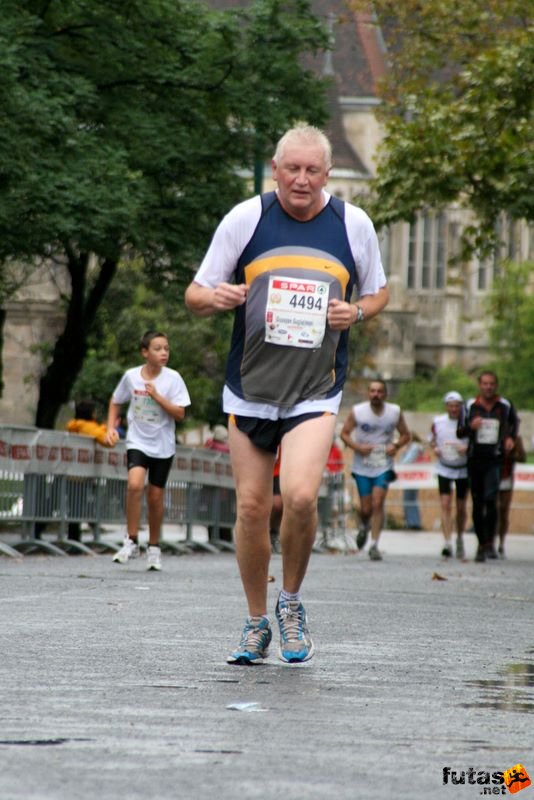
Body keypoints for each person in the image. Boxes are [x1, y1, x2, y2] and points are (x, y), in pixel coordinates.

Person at [185, 124, 388, 664]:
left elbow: (379, 290)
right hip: (250, 388)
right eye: (292, 169)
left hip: (314, 390)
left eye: (312, 170)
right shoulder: (246, 218)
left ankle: (291, 604)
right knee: (252, 507)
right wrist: (218, 296)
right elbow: (194, 293)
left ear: (327, 174)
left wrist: (358, 312)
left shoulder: (352, 224)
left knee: (299, 496)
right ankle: (255, 623)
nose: (302, 179)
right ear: (276, 171)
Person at [105, 331, 191, 571]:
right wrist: (110, 428)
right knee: (134, 485)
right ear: (145, 352)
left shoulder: (173, 379)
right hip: (137, 441)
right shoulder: (131, 376)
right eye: (158, 348)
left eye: (166, 348)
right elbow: (115, 401)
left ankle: (153, 547)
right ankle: (131, 540)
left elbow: (180, 413)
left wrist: (157, 397)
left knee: (154, 497)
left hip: (163, 445)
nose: (164, 352)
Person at [341, 380, 410, 560]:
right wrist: (357, 447)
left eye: (380, 391)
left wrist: (395, 445)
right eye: (372, 391)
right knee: (366, 508)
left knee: (378, 502)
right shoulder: (358, 411)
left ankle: (374, 545)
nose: (376, 394)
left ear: (385, 394)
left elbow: (406, 435)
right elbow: (344, 433)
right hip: (362, 466)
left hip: (383, 465)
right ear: (368, 393)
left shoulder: (394, 412)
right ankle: (364, 526)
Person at [457, 371, 519, 562]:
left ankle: (489, 543)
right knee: (477, 502)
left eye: (491, 384)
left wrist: (510, 439)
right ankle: (480, 543)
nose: (488, 387)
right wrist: (471, 427)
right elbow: (460, 431)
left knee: (491, 500)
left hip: (495, 458)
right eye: (485, 384)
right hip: (475, 458)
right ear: (479, 385)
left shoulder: (505, 406)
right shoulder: (470, 406)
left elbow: (513, 425)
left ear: (496, 386)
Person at [65, 399, 118, 541]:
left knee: (76, 506)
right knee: (78, 507)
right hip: (82, 475)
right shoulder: (88, 427)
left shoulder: (73, 426)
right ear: (91, 413)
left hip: (72, 472)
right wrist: (109, 429)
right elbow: (107, 441)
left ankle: (76, 537)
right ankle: (75, 539)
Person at [429, 391, 469, 559]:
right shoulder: (438, 422)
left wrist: (466, 448)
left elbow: (474, 441)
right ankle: (447, 542)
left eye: (457, 406)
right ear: (446, 407)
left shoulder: (467, 423)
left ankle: (459, 537)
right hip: (444, 467)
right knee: (445, 504)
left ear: (461, 407)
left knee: (461, 507)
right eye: (451, 406)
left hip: (463, 468)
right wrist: (435, 448)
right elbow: (431, 439)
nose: (454, 409)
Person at [497, 434, 526, 558]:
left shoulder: (515, 438)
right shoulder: (495, 436)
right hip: (492, 477)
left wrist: (513, 450)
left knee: (503, 511)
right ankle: (487, 542)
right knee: (492, 510)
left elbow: (522, 457)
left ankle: (501, 543)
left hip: (506, 478)